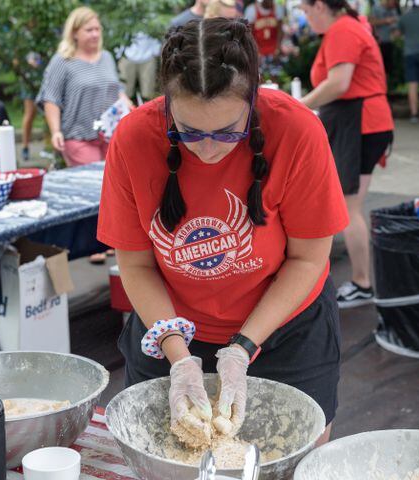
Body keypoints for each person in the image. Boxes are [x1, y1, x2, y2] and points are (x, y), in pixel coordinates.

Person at [97, 18, 348, 444]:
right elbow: (136, 265)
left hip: (285, 328)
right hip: (168, 328)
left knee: (295, 456)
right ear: (166, 103)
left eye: (228, 132)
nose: (208, 149)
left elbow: (308, 258)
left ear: (252, 99)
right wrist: (179, 359)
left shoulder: (297, 131)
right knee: (166, 452)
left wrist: (241, 350)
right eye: (189, 131)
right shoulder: (134, 138)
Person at [300, 0, 394, 308]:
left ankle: (362, 282)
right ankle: (361, 281)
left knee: (349, 207)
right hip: (360, 120)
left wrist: (298, 107)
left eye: (305, 8)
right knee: (348, 205)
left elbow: (339, 83)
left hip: (359, 122)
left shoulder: (343, 29)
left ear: (320, 6)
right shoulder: (349, 26)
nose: (304, 16)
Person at [37, 7, 130, 167]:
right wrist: (55, 132)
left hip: (110, 134)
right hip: (78, 137)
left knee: (114, 183)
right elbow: (51, 98)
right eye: (89, 30)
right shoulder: (62, 61)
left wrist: (127, 103)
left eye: (97, 29)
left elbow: (115, 89)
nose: (95, 34)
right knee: (93, 183)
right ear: (74, 33)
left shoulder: (106, 57)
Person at [118, 33, 162, 103]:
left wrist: (155, 51)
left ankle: (146, 112)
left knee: (148, 94)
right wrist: (118, 52)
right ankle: (128, 112)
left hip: (148, 57)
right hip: (127, 56)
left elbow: (156, 32)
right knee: (125, 94)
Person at [369, 0, 398, 82]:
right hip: (379, 43)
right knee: (377, 68)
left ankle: (384, 88)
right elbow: (371, 22)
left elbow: (395, 25)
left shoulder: (393, 10)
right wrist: (385, 21)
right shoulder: (376, 8)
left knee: (387, 69)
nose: (394, 4)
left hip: (389, 42)